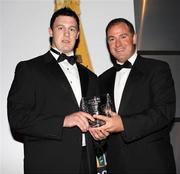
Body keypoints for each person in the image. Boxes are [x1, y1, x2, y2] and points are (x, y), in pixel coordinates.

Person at [7, 7, 106, 174]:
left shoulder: (91, 76)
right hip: (48, 163)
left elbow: (96, 122)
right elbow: (18, 119)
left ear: (77, 35)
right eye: (61, 28)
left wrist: (100, 136)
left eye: (72, 29)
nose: (67, 34)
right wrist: (64, 120)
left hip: (87, 164)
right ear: (50, 32)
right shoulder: (29, 69)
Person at [89, 18, 176, 173]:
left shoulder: (157, 69)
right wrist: (99, 136)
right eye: (112, 39)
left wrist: (124, 124)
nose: (118, 44)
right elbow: (103, 124)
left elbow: (164, 112)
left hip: (153, 164)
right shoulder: (102, 79)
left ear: (134, 38)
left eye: (123, 36)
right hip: (117, 166)